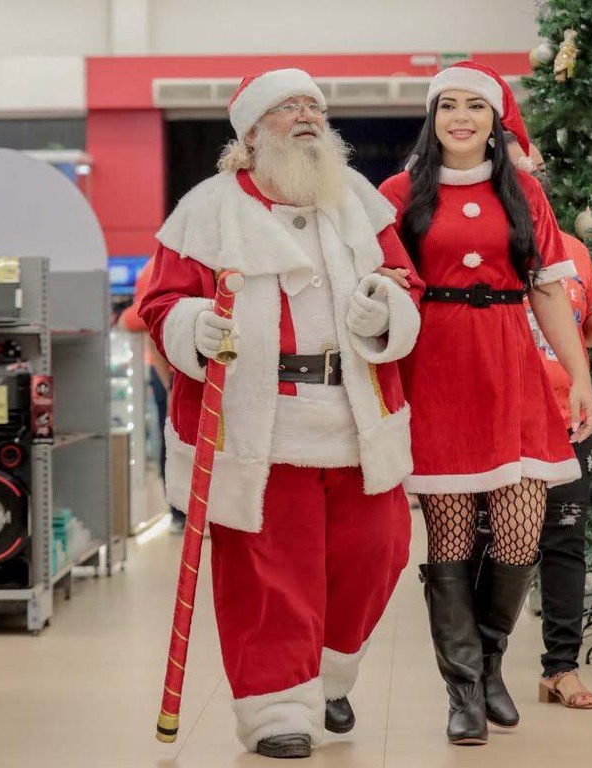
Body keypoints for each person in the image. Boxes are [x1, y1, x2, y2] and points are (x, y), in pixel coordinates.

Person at [139, 68, 423, 760]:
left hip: (356, 416)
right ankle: (275, 708)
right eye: (287, 106)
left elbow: (403, 279)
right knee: (268, 573)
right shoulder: (206, 211)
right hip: (258, 425)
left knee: (376, 553)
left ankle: (328, 676)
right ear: (251, 131)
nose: (306, 116)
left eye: (312, 106)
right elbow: (161, 303)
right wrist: (194, 325)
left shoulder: (356, 199)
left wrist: (385, 307)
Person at [379, 61, 592, 746]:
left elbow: (546, 291)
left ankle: (490, 661)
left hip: (511, 367)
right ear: (432, 117)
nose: (460, 117)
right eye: (447, 105)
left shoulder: (523, 191)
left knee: (517, 533)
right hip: (438, 369)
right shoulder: (397, 191)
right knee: (447, 537)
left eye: (475, 106)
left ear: (494, 120)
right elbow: (380, 291)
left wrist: (580, 375)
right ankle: (463, 691)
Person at [501, 136, 592, 709]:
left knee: (565, 541)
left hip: (566, 419)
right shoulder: (482, 243)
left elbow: (585, 336)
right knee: (493, 545)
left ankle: (561, 668)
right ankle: (480, 669)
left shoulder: (571, 249)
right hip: (499, 417)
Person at [119, 258, 187, 533]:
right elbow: (143, 322)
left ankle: (191, 512)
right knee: (174, 440)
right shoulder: (159, 264)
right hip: (172, 373)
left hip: (185, 370)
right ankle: (179, 513)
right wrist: (169, 384)